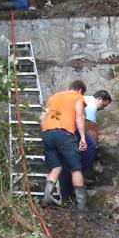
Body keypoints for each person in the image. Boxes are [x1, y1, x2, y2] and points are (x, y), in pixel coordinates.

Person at [40, 80, 88, 212]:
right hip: (64, 134)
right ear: (80, 90)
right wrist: (82, 137)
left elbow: (42, 117)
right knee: (75, 169)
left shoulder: (53, 97)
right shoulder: (77, 96)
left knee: (56, 167)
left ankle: (47, 197)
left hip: (47, 133)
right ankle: (82, 206)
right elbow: (79, 116)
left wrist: (46, 132)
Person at [59, 90, 113, 201]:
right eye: (103, 105)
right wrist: (93, 148)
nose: (102, 108)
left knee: (65, 163)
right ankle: (81, 173)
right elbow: (92, 128)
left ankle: (66, 196)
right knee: (90, 146)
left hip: (60, 129)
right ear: (99, 99)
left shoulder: (84, 99)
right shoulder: (91, 104)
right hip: (68, 130)